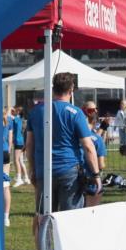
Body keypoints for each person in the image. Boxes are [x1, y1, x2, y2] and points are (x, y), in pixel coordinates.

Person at [26, 72, 102, 216]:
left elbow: (29, 145)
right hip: (69, 171)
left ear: (53, 88)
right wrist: (96, 175)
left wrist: (32, 169)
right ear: (71, 89)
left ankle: (44, 240)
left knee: (43, 219)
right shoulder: (75, 113)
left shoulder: (36, 112)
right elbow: (88, 146)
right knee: (71, 219)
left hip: (44, 170)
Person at [82, 101, 107, 207]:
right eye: (92, 110)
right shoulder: (97, 139)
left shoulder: (72, 137)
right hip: (91, 181)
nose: (95, 111)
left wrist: (103, 129)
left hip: (75, 179)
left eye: (95, 109)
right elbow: (101, 165)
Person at [1, 108, 13, 227]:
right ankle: (6, 217)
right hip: (5, 152)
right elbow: (10, 140)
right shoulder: (9, 121)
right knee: (5, 186)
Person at [12, 106, 29, 186]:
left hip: (18, 142)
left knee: (16, 160)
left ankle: (19, 179)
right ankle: (26, 178)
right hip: (20, 142)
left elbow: (12, 119)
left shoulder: (18, 120)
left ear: (18, 112)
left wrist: (10, 111)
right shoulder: (20, 120)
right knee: (21, 161)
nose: (14, 111)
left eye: (15, 110)